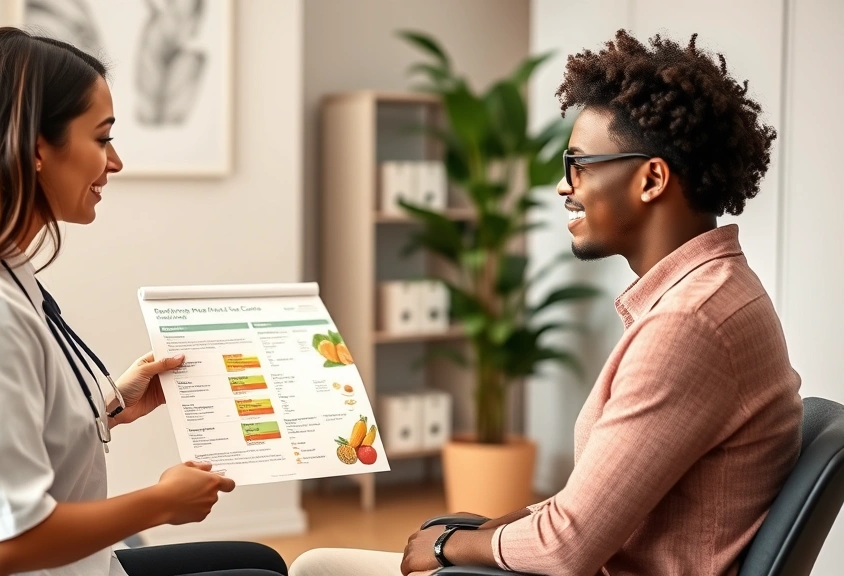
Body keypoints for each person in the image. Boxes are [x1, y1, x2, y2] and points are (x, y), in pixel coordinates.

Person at [289, 29, 803, 576]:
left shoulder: (690, 323)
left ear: (651, 179)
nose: (565, 187)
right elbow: (588, 509)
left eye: (579, 163)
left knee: (316, 567)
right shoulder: (716, 293)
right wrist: (485, 532)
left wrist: (446, 548)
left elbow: (568, 545)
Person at [0, 27, 286, 576]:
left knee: (258, 561)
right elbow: (6, 545)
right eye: (102, 138)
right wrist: (162, 503)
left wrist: (110, 403)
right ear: (38, 148)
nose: (114, 163)